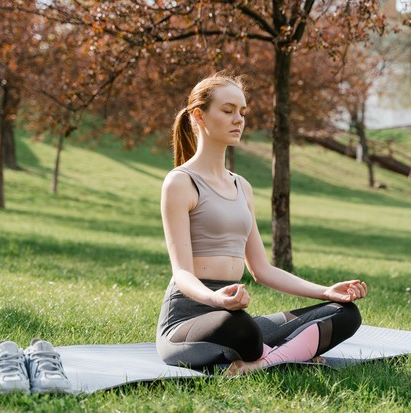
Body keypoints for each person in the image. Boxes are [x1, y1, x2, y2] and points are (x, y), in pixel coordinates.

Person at [156, 72, 367, 375]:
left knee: (345, 314)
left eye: (241, 112)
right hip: (189, 321)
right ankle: (289, 354)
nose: (238, 119)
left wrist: (325, 291)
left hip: (232, 312)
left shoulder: (242, 186)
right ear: (199, 116)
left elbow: (262, 270)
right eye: (228, 111)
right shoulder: (180, 182)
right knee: (243, 328)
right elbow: (182, 274)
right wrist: (215, 298)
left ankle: (260, 363)